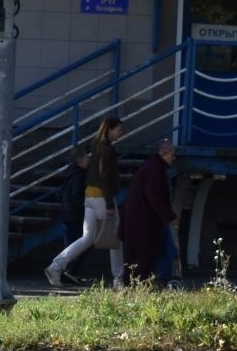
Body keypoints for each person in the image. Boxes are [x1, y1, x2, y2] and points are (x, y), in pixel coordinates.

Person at [46, 116, 126, 288]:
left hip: (90, 197)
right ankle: (118, 279)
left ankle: (56, 266)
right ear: (109, 129)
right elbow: (105, 176)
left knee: (87, 238)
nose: (121, 132)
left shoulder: (96, 147)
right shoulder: (107, 149)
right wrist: (110, 204)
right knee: (115, 238)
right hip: (102, 197)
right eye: (118, 129)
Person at [120, 139, 177, 283]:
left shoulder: (150, 166)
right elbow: (155, 196)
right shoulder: (156, 169)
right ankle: (140, 286)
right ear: (164, 152)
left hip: (135, 220)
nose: (173, 158)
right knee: (144, 257)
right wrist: (169, 216)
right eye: (172, 154)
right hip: (143, 223)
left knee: (133, 258)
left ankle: (131, 286)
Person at [58, 145, 92, 268]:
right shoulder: (79, 175)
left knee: (70, 244)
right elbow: (76, 194)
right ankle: (70, 269)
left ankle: (66, 270)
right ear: (80, 160)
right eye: (87, 157)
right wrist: (87, 206)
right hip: (75, 214)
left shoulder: (70, 172)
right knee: (86, 242)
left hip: (67, 212)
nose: (89, 160)